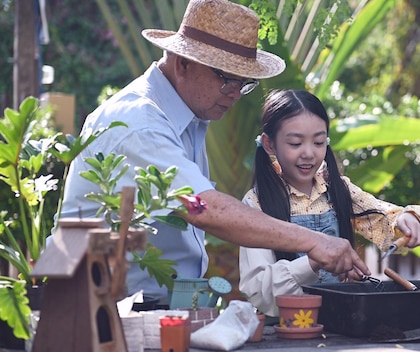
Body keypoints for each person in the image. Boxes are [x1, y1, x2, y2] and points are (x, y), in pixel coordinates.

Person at [57, 0, 369, 304]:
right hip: (103, 308)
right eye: (227, 81)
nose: (235, 95)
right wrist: (314, 240)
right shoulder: (140, 122)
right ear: (183, 64)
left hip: (153, 304)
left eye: (243, 84)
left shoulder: (189, 117)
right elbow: (203, 208)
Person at [239, 89, 420, 316]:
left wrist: (404, 219)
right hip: (286, 330)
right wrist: (313, 261)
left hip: (340, 324)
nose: (309, 153)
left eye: (319, 142)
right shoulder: (255, 205)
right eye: (295, 144)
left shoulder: (338, 189)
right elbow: (259, 291)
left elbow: (383, 218)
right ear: (269, 145)